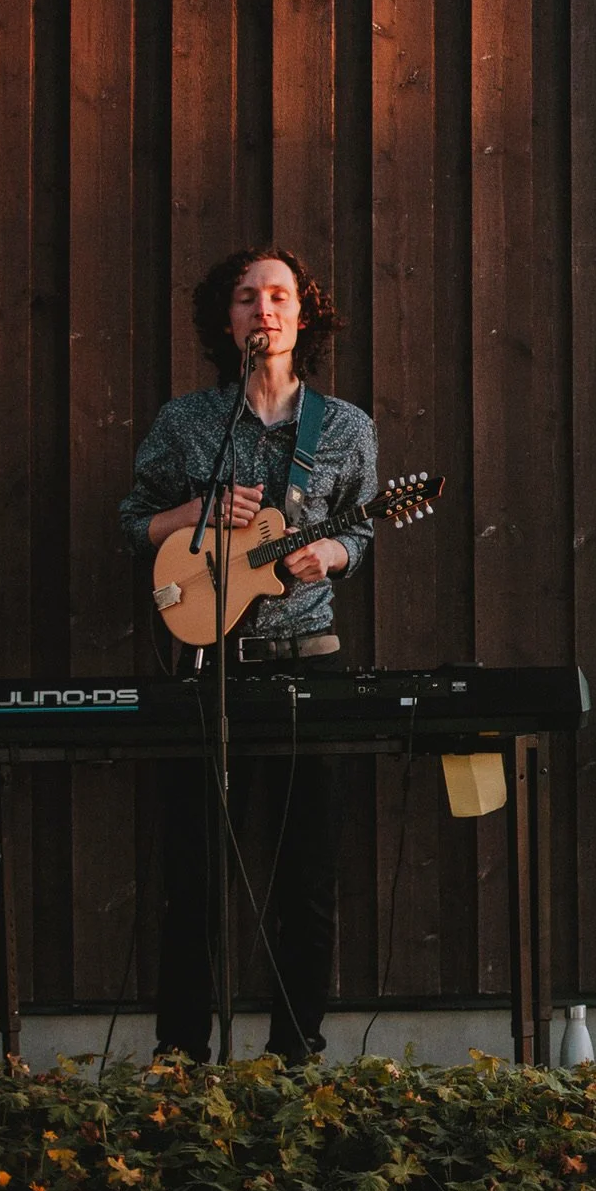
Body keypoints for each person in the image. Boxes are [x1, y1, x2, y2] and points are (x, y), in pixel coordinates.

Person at [119, 247, 378, 1062]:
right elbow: (134, 522)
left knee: (307, 879)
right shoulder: (188, 423)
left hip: (310, 658)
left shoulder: (345, 429)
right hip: (208, 669)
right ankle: (180, 1056)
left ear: (304, 315)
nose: (263, 310)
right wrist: (190, 511)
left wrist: (327, 556)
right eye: (245, 297)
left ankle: (296, 1057)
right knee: (193, 876)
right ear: (225, 321)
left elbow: (361, 530)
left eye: (278, 296)